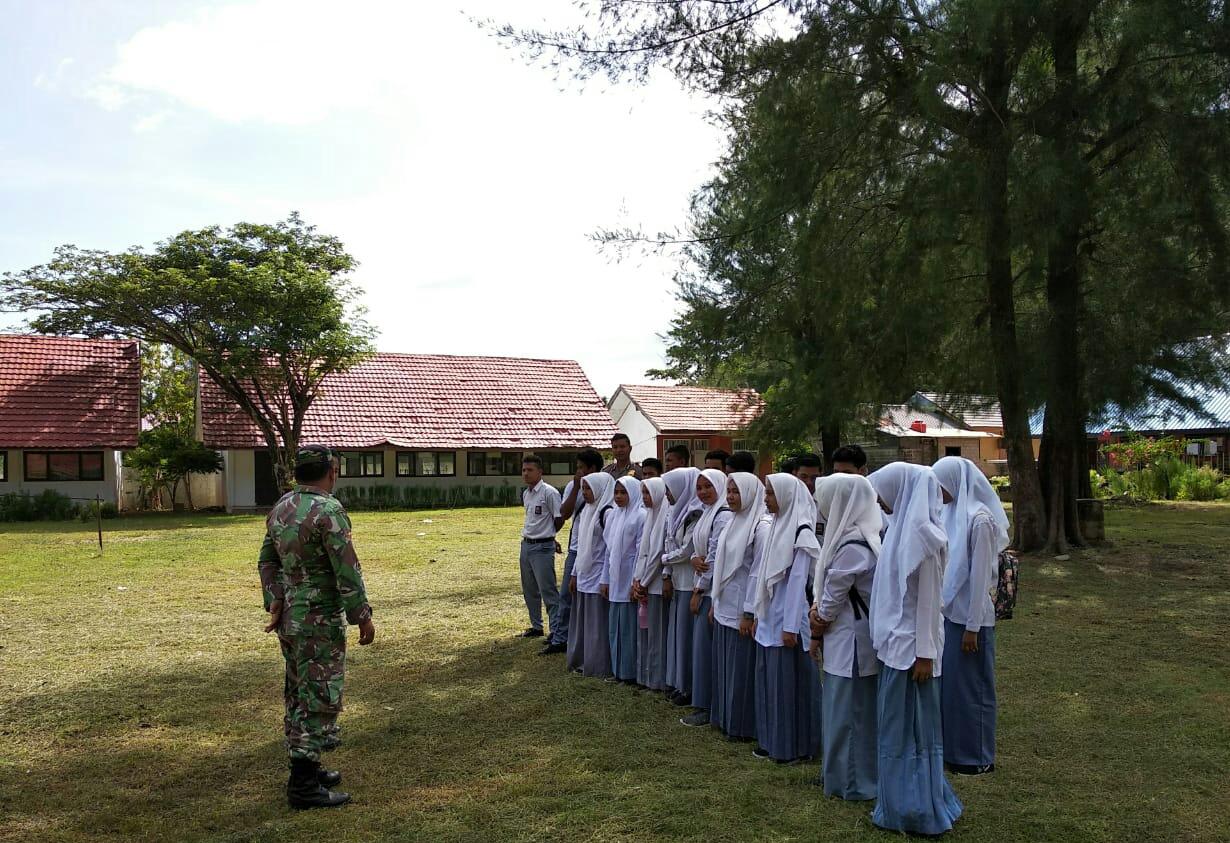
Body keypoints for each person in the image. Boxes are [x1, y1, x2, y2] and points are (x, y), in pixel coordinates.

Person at [258, 445, 375, 810]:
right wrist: (362, 615)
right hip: (319, 620)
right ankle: (303, 786)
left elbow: (266, 560)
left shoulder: (282, 507)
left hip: (291, 619)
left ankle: (309, 765)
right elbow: (346, 570)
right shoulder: (329, 510)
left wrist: (275, 599)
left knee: (297, 691)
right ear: (331, 472)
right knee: (319, 695)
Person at [867, 462, 962, 836]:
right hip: (896, 647)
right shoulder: (900, 532)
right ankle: (898, 802)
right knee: (894, 728)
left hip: (913, 653)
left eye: (883, 494)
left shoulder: (925, 537)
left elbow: (928, 602)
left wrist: (925, 653)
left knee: (913, 730)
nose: (880, 502)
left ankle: (916, 806)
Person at [932, 456, 1009, 776]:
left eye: (941, 486)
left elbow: (980, 580)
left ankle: (976, 755)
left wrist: (973, 628)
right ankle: (954, 750)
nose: (938, 493)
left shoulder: (980, 520)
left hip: (971, 620)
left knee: (973, 688)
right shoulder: (950, 514)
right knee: (952, 689)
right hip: (950, 614)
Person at [811, 474, 881, 801]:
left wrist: (818, 621)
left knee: (850, 713)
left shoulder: (853, 546)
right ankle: (842, 775)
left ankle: (852, 782)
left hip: (851, 643)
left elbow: (834, 595)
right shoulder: (861, 535)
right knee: (847, 711)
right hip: (848, 638)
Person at [746, 473, 822, 763]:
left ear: (788, 496)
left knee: (789, 688)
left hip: (788, 624)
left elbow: (798, 584)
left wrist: (790, 627)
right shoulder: (777, 525)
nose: (766, 499)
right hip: (769, 617)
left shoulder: (801, 532)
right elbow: (762, 575)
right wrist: (757, 613)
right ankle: (773, 740)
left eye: (770, 494)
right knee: (770, 684)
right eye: (766, 494)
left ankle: (795, 746)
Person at [710, 472, 769, 741]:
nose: (731, 496)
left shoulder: (761, 527)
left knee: (741, 670)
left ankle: (742, 726)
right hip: (724, 604)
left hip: (742, 611)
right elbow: (719, 565)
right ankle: (725, 718)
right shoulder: (733, 521)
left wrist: (749, 612)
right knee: (725, 668)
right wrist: (715, 599)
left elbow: (757, 574)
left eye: (736, 491)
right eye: (729, 491)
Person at [681, 467, 733, 727]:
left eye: (708, 487)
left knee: (706, 651)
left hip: (710, 592)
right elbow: (696, 548)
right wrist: (692, 558)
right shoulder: (707, 513)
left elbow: (713, 558)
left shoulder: (722, 515)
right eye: (699, 487)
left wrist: (699, 590)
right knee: (702, 649)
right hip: (702, 585)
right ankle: (703, 702)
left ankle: (707, 705)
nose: (702, 492)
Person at [543, 448, 604, 656]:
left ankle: (570, 635)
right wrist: (577, 488)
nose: (577, 472)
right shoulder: (574, 486)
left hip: (594, 551)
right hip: (576, 548)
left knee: (585, 596)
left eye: (581, 468)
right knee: (567, 594)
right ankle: (561, 635)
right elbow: (565, 512)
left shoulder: (604, 487)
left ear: (592, 469)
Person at [661, 466, 704, 704]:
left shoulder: (695, 514)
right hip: (679, 581)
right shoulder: (678, 511)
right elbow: (670, 543)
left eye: (670, 489)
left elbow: (687, 551)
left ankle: (688, 687)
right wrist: (667, 572)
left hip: (690, 582)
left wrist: (664, 560)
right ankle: (679, 682)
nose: (667, 494)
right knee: (678, 636)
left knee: (686, 639)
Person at [568, 472, 616, 678]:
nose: (585, 493)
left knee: (597, 623)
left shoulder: (608, 512)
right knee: (584, 621)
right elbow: (579, 546)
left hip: (599, 575)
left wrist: (605, 578)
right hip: (584, 572)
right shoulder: (586, 510)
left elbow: (609, 550)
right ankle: (583, 660)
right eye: (583, 489)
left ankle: (598, 665)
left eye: (589, 488)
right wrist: (574, 573)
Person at [602, 476, 645, 683]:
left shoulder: (640, 516)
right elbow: (608, 551)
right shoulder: (613, 516)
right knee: (615, 628)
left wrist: (633, 582)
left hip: (629, 579)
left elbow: (639, 553)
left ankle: (629, 672)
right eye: (616, 492)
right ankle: (617, 670)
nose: (618, 497)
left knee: (628, 629)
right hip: (614, 578)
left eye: (623, 492)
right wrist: (605, 579)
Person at [518, 455, 564, 641]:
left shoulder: (549, 493)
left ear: (540, 472)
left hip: (543, 547)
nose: (526, 474)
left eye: (530, 470)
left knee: (548, 590)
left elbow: (558, 518)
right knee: (529, 589)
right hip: (527, 545)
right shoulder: (526, 494)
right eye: (523, 470)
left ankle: (556, 630)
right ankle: (536, 626)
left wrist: (550, 536)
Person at [632, 477, 670, 691]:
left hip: (655, 585)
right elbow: (642, 553)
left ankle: (658, 679)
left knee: (657, 634)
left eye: (648, 493)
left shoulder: (664, 517)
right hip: (645, 583)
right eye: (643, 493)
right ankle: (646, 675)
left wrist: (644, 582)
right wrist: (637, 580)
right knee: (646, 633)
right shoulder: (650, 516)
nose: (645, 498)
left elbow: (657, 554)